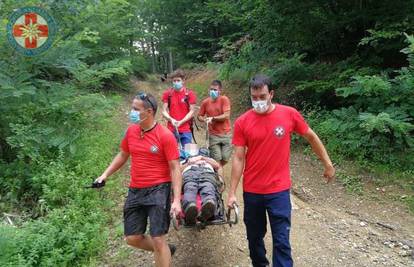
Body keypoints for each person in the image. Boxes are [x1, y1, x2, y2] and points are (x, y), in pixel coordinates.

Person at [226, 75, 335, 267]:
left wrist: (327, 163)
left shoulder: (289, 114)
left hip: (279, 191)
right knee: (254, 238)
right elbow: (238, 157)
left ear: (271, 94)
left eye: (262, 96)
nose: (258, 101)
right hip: (252, 191)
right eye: (254, 97)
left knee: (282, 240)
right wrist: (232, 192)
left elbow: (310, 136)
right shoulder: (243, 122)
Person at [95, 92, 182, 267]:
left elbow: (175, 168)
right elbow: (122, 155)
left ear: (149, 112)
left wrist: (177, 200)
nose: (131, 112)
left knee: (158, 239)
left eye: (136, 109)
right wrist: (104, 175)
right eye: (132, 108)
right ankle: (165, 249)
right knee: (132, 238)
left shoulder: (165, 136)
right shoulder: (131, 131)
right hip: (136, 189)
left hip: (158, 189)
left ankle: (161, 247)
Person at [180, 145, 223, 225]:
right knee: (190, 188)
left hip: (207, 173)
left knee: (208, 187)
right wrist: (189, 162)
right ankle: (190, 208)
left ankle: (208, 206)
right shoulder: (186, 160)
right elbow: (178, 169)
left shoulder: (209, 160)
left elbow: (217, 166)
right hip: (190, 173)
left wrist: (203, 158)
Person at [197, 80, 232, 166]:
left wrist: (213, 118)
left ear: (220, 90)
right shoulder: (205, 102)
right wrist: (204, 120)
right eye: (211, 89)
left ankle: (217, 169)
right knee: (217, 159)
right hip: (213, 135)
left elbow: (226, 115)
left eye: (215, 90)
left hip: (226, 134)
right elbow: (199, 116)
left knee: (226, 158)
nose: (213, 91)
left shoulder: (224, 99)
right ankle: (218, 176)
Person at [162, 69, 197, 147]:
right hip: (171, 128)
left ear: (183, 81)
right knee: (171, 152)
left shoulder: (190, 94)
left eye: (178, 80)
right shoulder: (167, 94)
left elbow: (192, 111)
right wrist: (171, 120)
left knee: (187, 154)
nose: (176, 82)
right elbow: (164, 111)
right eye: (174, 81)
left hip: (186, 129)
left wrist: (181, 121)